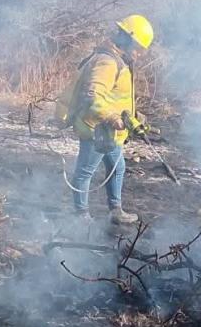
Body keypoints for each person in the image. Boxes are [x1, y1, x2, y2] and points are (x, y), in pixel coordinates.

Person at [65, 14, 155, 224]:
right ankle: (81, 216)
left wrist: (132, 116)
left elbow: (116, 96)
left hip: (109, 131)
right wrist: (112, 117)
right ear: (127, 39)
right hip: (95, 128)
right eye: (139, 48)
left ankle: (115, 211)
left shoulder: (119, 60)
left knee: (117, 167)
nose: (140, 54)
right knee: (85, 171)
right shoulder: (107, 62)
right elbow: (92, 96)